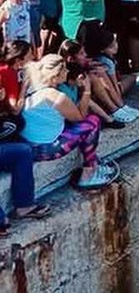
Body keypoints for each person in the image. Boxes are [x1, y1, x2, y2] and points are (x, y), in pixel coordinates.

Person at [22, 53, 117, 190]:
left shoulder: (33, 87)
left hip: (29, 145)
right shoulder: (55, 96)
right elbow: (80, 117)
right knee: (92, 122)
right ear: (55, 76)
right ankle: (88, 174)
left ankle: (94, 162)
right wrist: (87, 91)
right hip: (45, 148)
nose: (67, 72)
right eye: (64, 70)